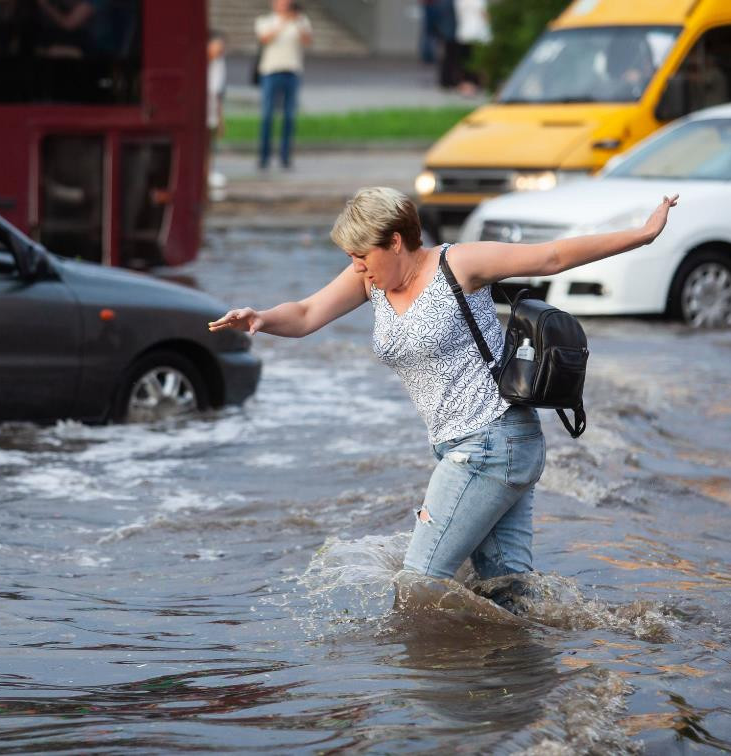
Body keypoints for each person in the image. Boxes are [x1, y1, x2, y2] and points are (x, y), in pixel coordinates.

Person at [208, 187, 677, 611]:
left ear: (395, 241)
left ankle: (423, 693)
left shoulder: (458, 264)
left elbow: (551, 256)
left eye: (361, 254)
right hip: (474, 448)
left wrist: (642, 234)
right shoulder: (372, 281)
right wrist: (261, 318)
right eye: (350, 257)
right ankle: (526, 689)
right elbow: (308, 313)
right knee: (508, 596)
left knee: (417, 585)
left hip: (492, 443)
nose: (355, 266)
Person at [254, 0, 312, 170]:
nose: (284, 4)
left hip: (292, 71)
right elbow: (265, 38)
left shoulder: (301, 20)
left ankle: (285, 157)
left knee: (289, 116)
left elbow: (307, 40)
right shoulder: (265, 20)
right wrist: (284, 21)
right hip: (270, 71)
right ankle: (264, 157)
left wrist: (297, 21)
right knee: (267, 116)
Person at [207, 30, 228, 196]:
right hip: (201, 105)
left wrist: (221, 118)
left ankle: (209, 171)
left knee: (211, 141)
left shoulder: (220, 63)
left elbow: (218, 92)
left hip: (212, 105)